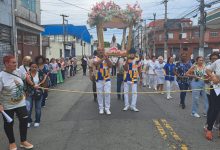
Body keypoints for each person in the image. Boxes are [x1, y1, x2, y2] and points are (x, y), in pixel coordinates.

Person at [0, 55, 33, 150]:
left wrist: (32, 84)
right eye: (13, 62)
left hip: (20, 103)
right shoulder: (1, 76)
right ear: (6, 64)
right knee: (9, 123)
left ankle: (23, 141)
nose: (16, 64)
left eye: (16, 62)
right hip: (7, 105)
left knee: (24, 120)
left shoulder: (18, 72)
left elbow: (26, 77)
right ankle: (12, 142)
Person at [26, 62, 46, 128]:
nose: (34, 68)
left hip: (38, 93)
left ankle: (37, 121)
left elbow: (44, 80)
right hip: (29, 93)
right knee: (28, 108)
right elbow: (27, 80)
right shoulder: (27, 74)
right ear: (30, 67)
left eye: (35, 67)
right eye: (32, 67)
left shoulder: (40, 73)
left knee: (38, 108)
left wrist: (41, 85)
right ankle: (28, 121)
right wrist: (34, 85)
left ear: (37, 67)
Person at [205, 53, 220, 140]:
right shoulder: (218, 62)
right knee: (214, 109)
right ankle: (209, 129)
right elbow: (208, 70)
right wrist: (213, 76)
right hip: (216, 89)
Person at [93, 48, 113, 115]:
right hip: (99, 79)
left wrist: (106, 58)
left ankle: (107, 108)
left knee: (107, 94)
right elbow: (96, 64)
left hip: (107, 79)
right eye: (99, 50)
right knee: (100, 94)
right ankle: (101, 108)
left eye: (102, 50)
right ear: (97, 52)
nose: (101, 51)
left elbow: (110, 65)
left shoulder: (107, 58)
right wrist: (103, 59)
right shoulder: (96, 58)